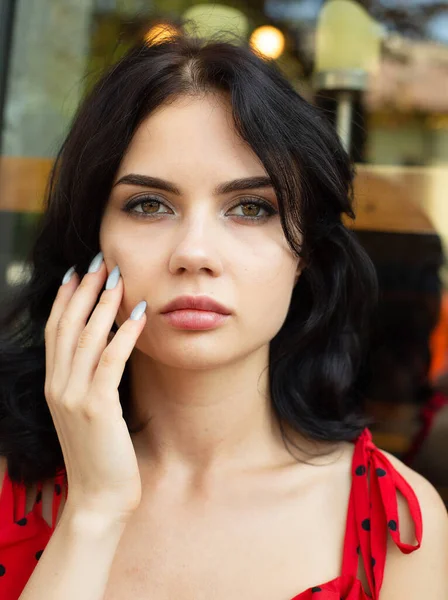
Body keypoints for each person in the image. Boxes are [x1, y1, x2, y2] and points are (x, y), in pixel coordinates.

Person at [0, 29, 446, 600]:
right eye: (149, 205)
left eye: (251, 208)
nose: (195, 253)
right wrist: (94, 511)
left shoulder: (397, 526)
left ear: (305, 252)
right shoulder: (13, 488)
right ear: (92, 239)